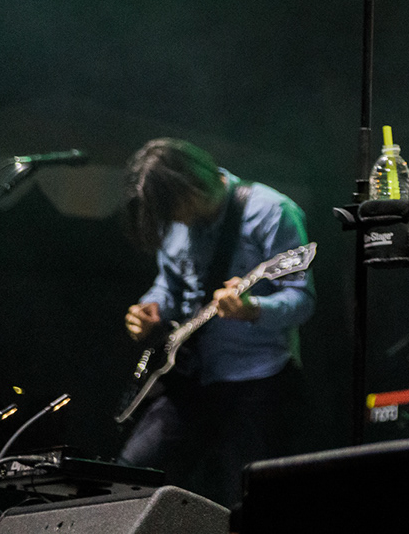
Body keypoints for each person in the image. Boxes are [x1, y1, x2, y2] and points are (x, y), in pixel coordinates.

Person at [117, 139, 314, 505]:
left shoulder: (272, 211)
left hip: (257, 380)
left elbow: (302, 301)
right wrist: (150, 307)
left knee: (245, 501)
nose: (171, 220)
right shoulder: (174, 223)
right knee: (129, 478)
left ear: (189, 187)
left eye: (170, 208)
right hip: (191, 377)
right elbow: (169, 284)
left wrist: (253, 309)